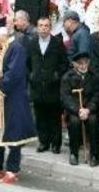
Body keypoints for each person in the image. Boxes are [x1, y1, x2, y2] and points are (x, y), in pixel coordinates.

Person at [0, 16, 37, 183]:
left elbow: (14, 74)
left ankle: (12, 169)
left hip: (10, 98)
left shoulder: (16, 48)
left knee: (13, 135)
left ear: (1, 36)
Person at [26, 15, 69, 154]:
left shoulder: (57, 43)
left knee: (54, 116)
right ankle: (43, 142)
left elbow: (64, 63)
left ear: (50, 28)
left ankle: (55, 144)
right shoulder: (31, 43)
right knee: (40, 116)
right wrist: (31, 75)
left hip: (53, 87)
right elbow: (26, 63)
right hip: (37, 86)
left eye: (46, 26)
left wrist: (57, 75)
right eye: (41, 26)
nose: (43, 28)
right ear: (37, 28)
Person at [61, 51, 99, 166]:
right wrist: (78, 110)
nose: (83, 66)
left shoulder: (94, 76)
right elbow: (65, 97)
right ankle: (74, 153)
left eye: (85, 63)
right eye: (80, 63)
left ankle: (94, 154)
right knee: (74, 122)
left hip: (90, 109)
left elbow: (97, 95)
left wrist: (88, 109)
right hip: (74, 110)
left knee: (93, 121)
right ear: (75, 64)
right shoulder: (67, 77)